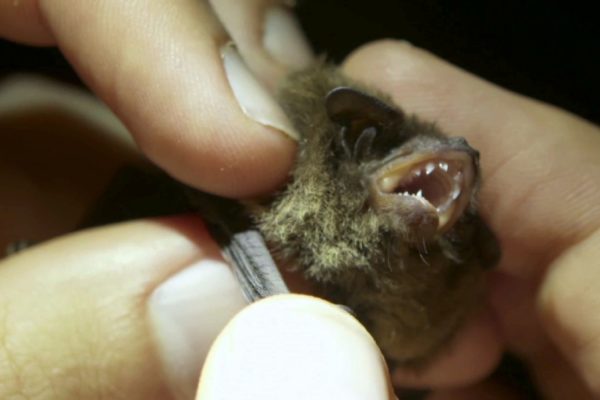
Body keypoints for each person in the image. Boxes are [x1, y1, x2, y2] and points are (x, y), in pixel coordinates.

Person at [1, 1, 599, 399]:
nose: (460, 163)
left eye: (462, 217)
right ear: (357, 141)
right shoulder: (288, 176)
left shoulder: (450, 283)